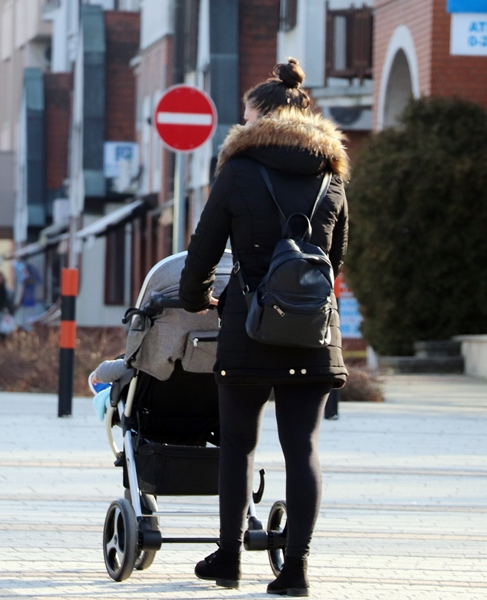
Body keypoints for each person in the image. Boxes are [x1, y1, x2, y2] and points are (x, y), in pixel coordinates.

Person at [179, 58, 349, 596]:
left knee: (237, 444)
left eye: (247, 117)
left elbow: (203, 249)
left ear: (264, 117)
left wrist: (196, 298)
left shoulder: (237, 170)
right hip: (312, 331)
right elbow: (336, 260)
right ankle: (295, 570)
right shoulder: (332, 176)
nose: (242, 126)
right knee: (303, 448)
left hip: (248, 329)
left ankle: (228, 561)